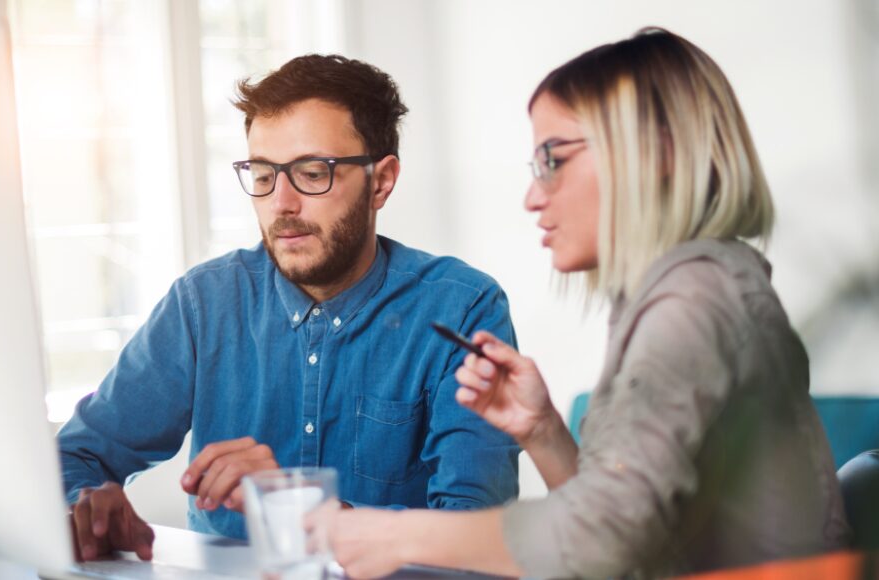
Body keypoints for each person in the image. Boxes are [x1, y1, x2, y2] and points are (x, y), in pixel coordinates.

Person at [325, 27, 851, 579]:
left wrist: (396, 535)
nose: (533, 196)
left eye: (553, 160)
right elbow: (634, 533)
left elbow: (602, 539)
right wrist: (543, 431)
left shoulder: (694, 301)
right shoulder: (684, 289)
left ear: (656, 151)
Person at [57, 54, 521, 561]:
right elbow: (77, 455)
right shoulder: (203, 304)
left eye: (313, 173)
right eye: (262, 175)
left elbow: (480, 535)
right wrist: (87, 506)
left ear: (381, 181)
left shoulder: (462, 309)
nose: (281, 204)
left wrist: (301, 506)